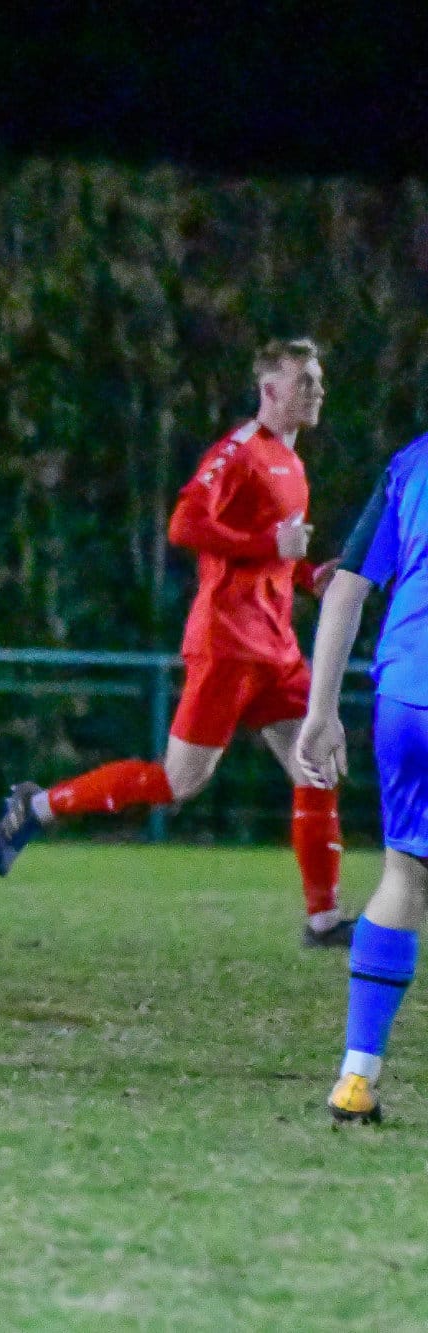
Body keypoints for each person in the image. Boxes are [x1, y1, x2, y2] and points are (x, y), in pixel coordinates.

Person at [0, 338, 351, 946]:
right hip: (228, 644)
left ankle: (324, 921)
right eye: (304, 381)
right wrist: (269, 546)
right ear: (270, 390)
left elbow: (274, 558)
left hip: (277, 648)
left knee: (318, 769)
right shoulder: (239, 451)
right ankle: (39, 806)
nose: (317, 390)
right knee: (178, 782)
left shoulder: (291, 462)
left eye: (318, 379)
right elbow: (184, 524)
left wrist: (310, 575)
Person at [297, 429, 428, 1122]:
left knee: (404, 876)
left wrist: (321, 710)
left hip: (408, 697)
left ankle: (356, 1076)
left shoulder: (412, 463)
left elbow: (346, 588)